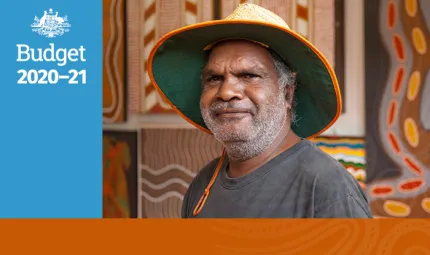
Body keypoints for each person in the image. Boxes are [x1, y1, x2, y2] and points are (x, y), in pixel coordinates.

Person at [147, 3, 372, 218]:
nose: (226, 92)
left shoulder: (327, 188)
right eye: (214, 78)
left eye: (249, 75)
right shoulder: (203, 184)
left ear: (287, 93)